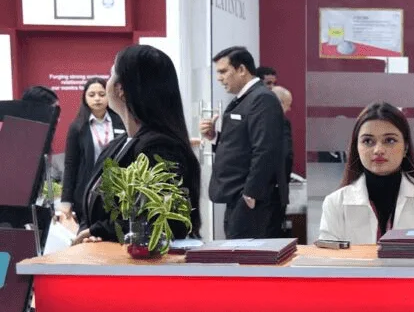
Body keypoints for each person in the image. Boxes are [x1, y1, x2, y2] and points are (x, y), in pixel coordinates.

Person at [72, 45, 202, 245]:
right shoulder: (120, 143)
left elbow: (162, 219)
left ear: (121, 89)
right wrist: (90, 231)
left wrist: (100, 231)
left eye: (111, 74)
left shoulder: (160, 148)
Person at [319, 102, 414, 244]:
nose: (378, 150)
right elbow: (327, 257)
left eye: (389, 140)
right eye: (368, 141)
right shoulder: (335, 203)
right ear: (356, 147)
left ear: (405, 147)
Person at [200, 46, 285, 239]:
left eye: (223, 71)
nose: (219, 78)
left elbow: (265, 150)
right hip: (238, 197)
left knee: (244, 254)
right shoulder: (244, 99)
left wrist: (250, 194)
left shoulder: (262, 98)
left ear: (241, 69)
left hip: (250, 200)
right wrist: (214, 136)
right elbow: (240, 146)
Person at [59, 78, 127, 223]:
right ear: (85, 98)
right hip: (87, 191)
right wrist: (66, 200)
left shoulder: (122, 122)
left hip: (118, 191)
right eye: (92, 95)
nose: (97, 99)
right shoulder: (77, 127)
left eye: (102, 94)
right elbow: (71, 164)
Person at [271, 85, 294, 237]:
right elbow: (286, 155)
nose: (289, 109)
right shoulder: (281, 122)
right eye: (287, 104)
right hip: (275, 189)